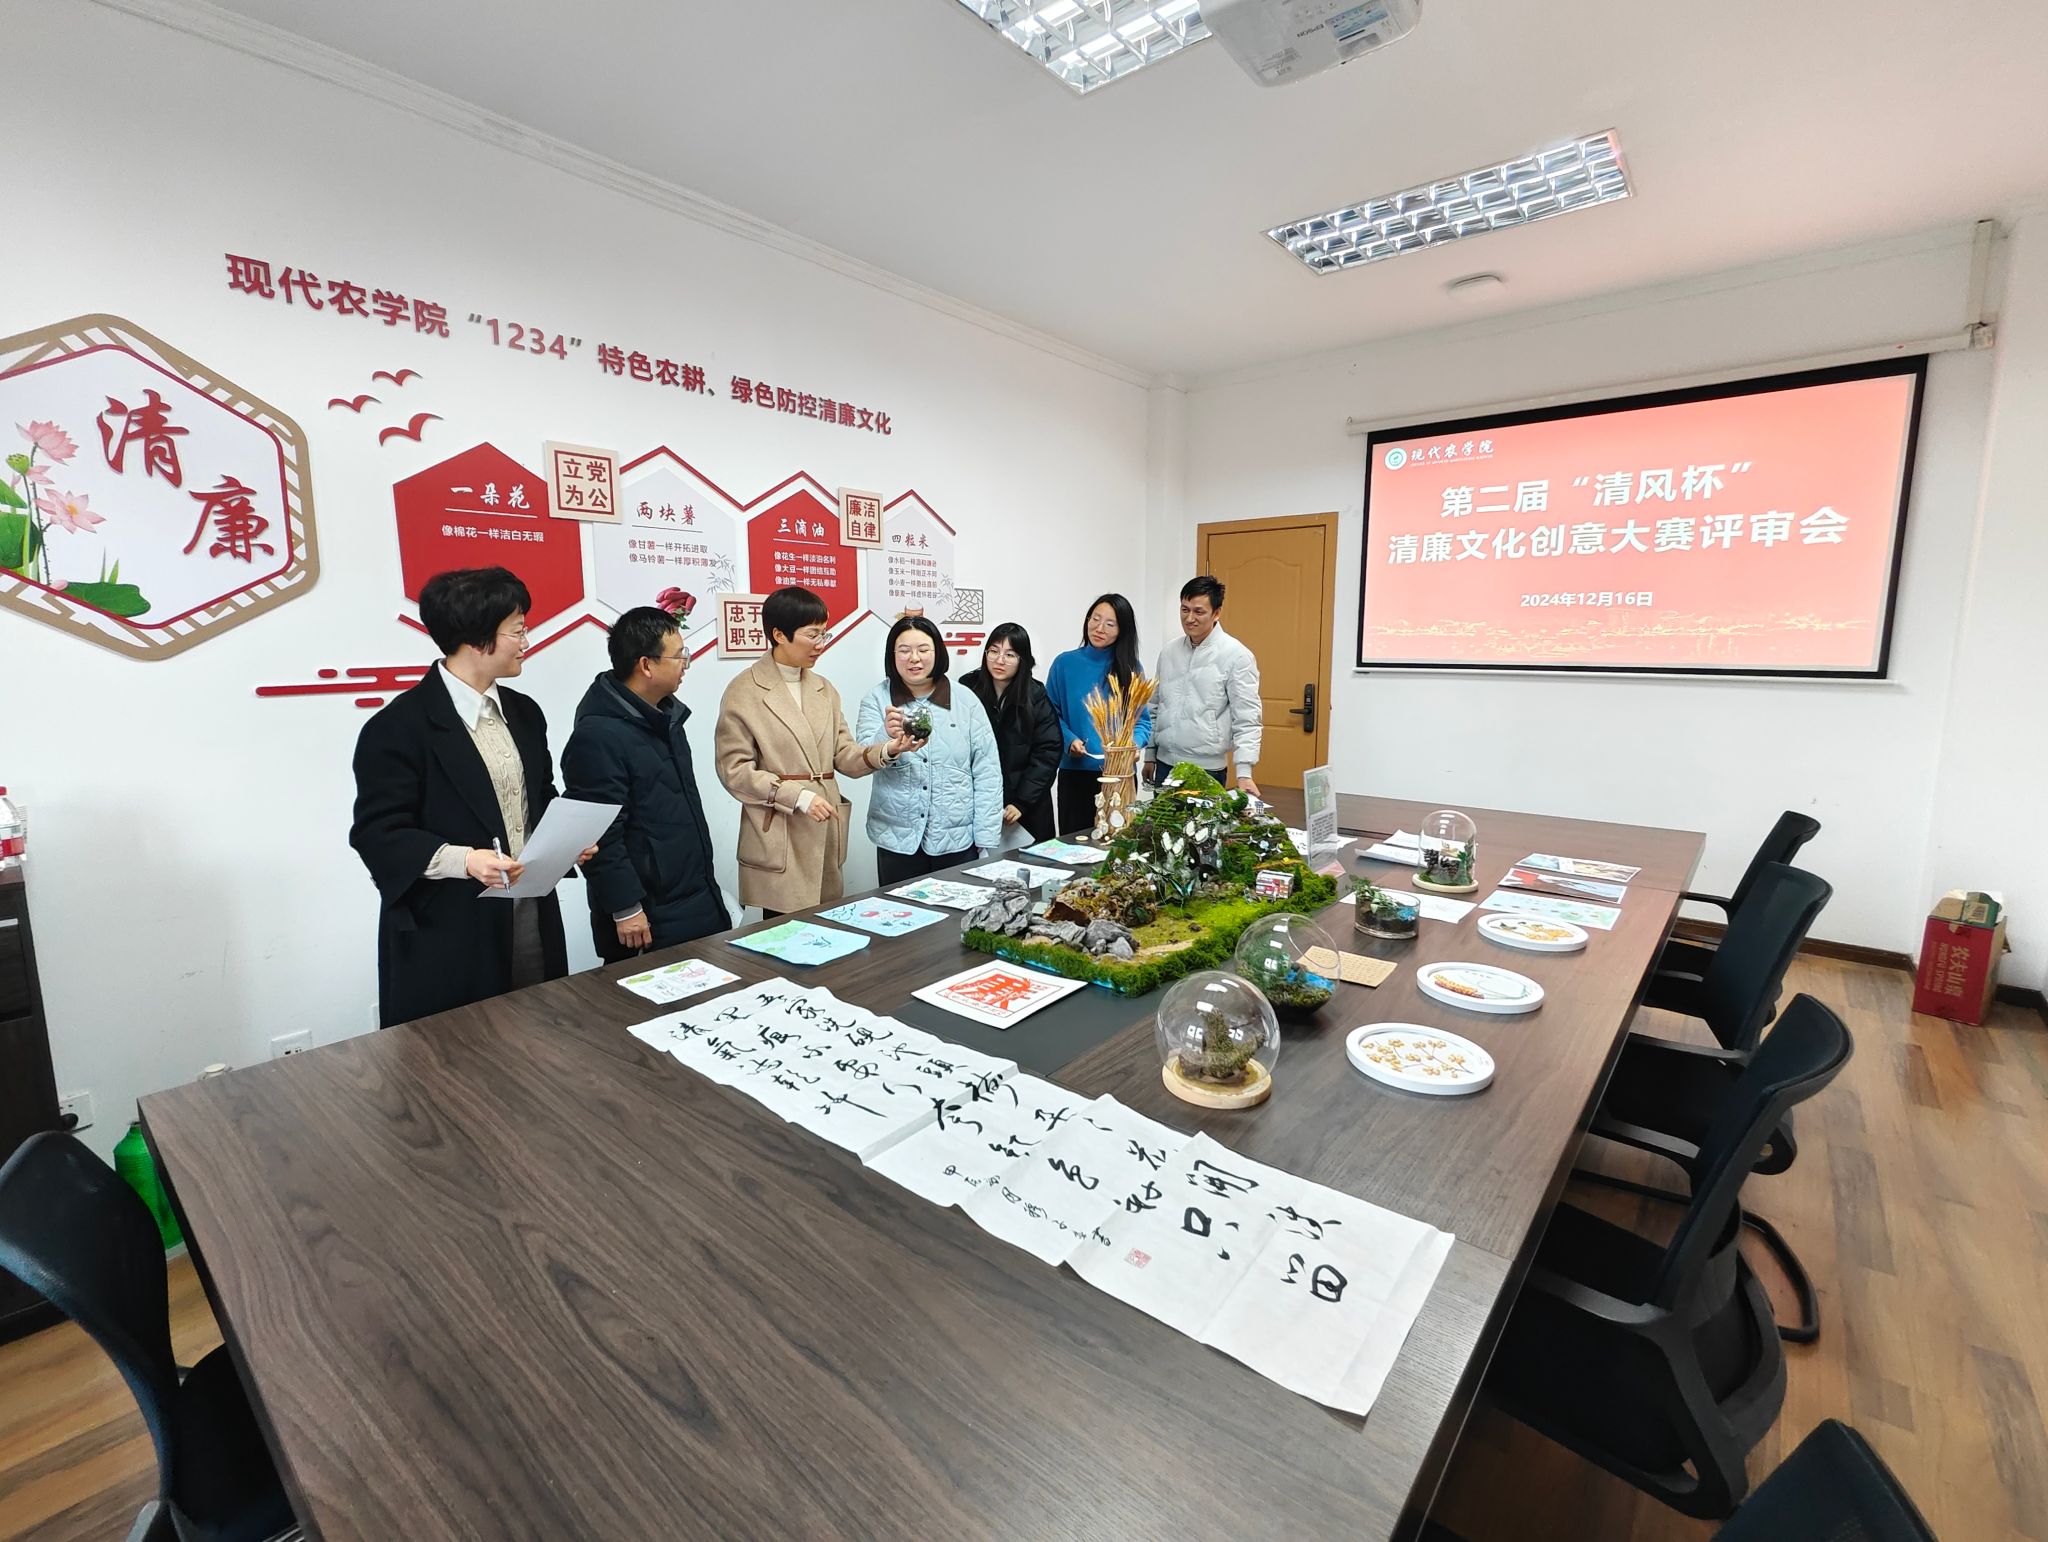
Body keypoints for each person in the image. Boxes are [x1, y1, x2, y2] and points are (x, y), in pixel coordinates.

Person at [348, 566, 593, 1028]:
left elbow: (540, 795)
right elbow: (378, 833)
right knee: (461, 1053)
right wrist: (466, 860)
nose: (526, 642)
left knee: (541, 1033)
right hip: (449, 927)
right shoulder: (398, 727)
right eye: (517, 630)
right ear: (478, 639)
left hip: (529, 912)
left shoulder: (524, 713)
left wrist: (566, 841)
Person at [713, 586, 916, 916]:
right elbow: (734, 771)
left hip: (824, 826)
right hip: (780, 831)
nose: (821, 643)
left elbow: (844, 756)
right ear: (779, 635)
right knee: (782, 930)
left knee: (826, 926)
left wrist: (889, 749)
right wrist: (797, 796)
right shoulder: (744, 691)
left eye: (824, 633)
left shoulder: (824, 689)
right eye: (812, 634)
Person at [562, 606, 729, 963]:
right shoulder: (598, 735)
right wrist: (625, 907)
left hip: (692, 896)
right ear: (646, 665)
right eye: (679, 656)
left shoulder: (666, 718)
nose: (685, 664)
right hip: (647, 914)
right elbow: (598, 833)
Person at [855, 615, 1004, 883]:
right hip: (897, 840)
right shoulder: (877, 699)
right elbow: (861, 758)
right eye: (904, 650)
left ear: (938, 652)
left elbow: (987, 772)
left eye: (923, 650)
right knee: (899, 909)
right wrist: (887, 738)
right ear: (892, 655)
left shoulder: (965, 700)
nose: (914, 658)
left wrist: (986, 837)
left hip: (957, 839)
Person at [1045, 592, 1151, 836]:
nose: (1099, 628)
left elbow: (1142, 722)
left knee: (1116, 844)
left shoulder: (1131, 668)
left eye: (1110, 624)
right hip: (1075, 774)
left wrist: (1132, 745)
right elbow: (1050, 715)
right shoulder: (1064, 663)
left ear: (1122, 630)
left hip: (1119, 775)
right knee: (1075, 844)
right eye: (1095, 618)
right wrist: (1069, 739)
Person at [1150, 575, 1263, 796]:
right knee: (1159, 820)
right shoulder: (1169, 652)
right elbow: (1155, 705)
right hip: (1165, 765)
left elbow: (1247, 718)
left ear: (1216, 613)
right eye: (1184, 610)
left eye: (1198, 612)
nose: (1189, 618)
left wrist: (1244, 772)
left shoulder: (1237, 655)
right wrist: (1150, 755)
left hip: (1207, 770)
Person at [959, 622, 1062, 841]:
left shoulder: (1035, 695)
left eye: (1010, 654)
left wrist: (1022, 802)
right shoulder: (967, 689)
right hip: (979, 802)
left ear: (1022, 660)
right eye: (993, 651)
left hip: (1027, 806)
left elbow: (1048, 751)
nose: (999, 660)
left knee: (1032, 859)